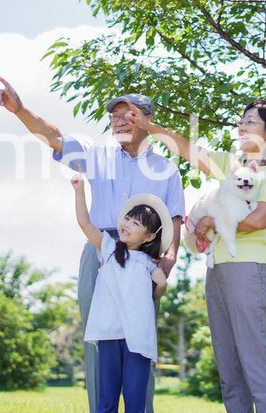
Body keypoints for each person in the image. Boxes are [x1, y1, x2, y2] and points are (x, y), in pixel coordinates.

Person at [0, 77, 185, 413]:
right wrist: (20, 110)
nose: (119, 119)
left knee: (140, 341)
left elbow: (173, 219)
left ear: (147, 120)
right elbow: (53, 136)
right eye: (115, 115)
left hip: (144, 257)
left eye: (129, 114)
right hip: (100, 248)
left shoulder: (166, 169)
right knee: (99, 338)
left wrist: (168, 259)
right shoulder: (96, 155)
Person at [127, 99, 266, 413]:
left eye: (251, 122)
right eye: (242, 121)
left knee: (253, 358)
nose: (242, 127)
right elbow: (189, 150)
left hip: (248, 269)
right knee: (227, 363)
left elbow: (259, 219)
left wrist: (212, 222)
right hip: (217, 267)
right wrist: (149, 127)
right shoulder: (235, 164)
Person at [71, 175, 169, 413]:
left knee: (135, 399)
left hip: (137, 339)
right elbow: (85, 223)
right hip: (109, 334)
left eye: (136, 223)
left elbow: (161, 287)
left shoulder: (147, 263)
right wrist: (80, 191)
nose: (127, 224)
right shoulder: (108, 248)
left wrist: (159, 283)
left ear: (149, 237)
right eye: (127, 218)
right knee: (107, 397)